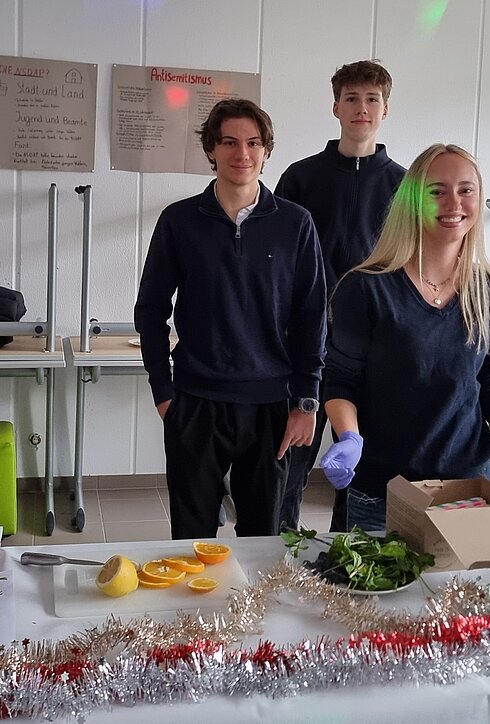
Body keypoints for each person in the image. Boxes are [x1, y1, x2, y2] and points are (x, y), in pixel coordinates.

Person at [318, 144, 490, 532]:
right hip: (381, 489)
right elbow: (341, 381)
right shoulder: (366, 288)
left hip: (466, 487)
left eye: (465, 190)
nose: (453, 203)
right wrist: (349, 438)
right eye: (437, 191)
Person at [134, 98, 326, 540]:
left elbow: (312, 316)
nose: (243, 153)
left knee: (263, 537)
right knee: (191, 537)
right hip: (195, 401)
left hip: (271, 405)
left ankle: (253, 593)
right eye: (230, 142)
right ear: (211, 149)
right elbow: (151, 310)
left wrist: (306, 400)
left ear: (266, 150)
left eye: (254, 143)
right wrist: (163, 391)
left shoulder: (295, 224)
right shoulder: (179, 221)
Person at [275, 59, 406, 531]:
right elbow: (278, 262)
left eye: (372, 100)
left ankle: (346, 553)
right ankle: (280, 548)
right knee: (290, 460)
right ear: (336, 107)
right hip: (305, 343)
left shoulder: (404, 185)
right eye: (351, 98)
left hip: (373, 346)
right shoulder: (300, 178)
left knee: (358, 461)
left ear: (385, 110)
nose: (361, 108)